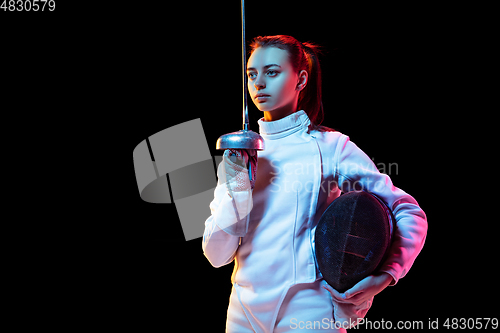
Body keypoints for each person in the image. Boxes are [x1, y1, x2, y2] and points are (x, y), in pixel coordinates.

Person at [202, 35, 427, 332]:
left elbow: (407, 211)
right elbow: (217, 255)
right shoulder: (240, 155)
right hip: (244, 309)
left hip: (308, 308)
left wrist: (386, 274)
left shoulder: (329, 147)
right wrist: (238, 184)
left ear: (301, 79)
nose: (258, 83)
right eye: (251, 74)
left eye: (272, 72)